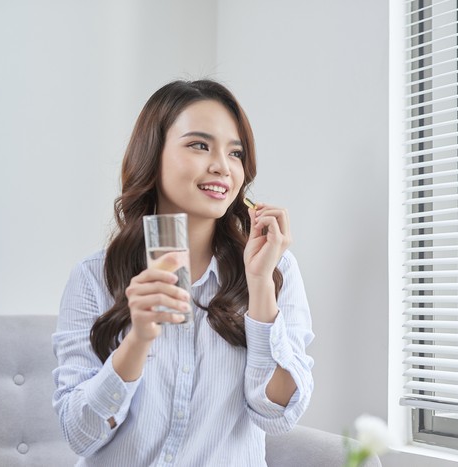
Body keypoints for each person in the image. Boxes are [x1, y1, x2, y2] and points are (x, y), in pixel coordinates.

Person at [52, 79, 314, 466]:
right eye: (199, 145)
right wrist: (138, 340)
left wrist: (259, 286)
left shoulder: (274, 267)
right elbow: (80, 433)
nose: (222, 167)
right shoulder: (95, 276)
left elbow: (276, 414)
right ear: (152, 156)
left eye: (236, 153)